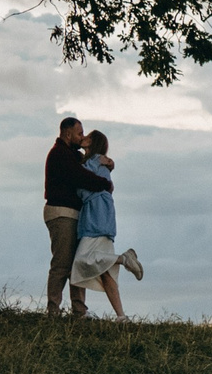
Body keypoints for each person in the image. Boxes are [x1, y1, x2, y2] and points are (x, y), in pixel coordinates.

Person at [64, 129, 143, 318]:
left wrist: (100, 163)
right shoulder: (97, 162)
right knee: (105, 273)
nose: (83, 138)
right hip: (99, 216)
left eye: (88, 137)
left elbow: (89, 180)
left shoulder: (97, 162)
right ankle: (121, 316)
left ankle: (123, 259)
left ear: (95, 143)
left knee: (81, 261)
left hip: (96, 217)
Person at [42, 116, 110, 316]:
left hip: (72, 214)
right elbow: (80, 176)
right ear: (68, 133)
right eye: (79, 133)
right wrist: (104, 183)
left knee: (77, 262)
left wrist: (104, 162)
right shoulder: (60, 154)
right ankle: (54, 310)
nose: (82, 137)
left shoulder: (72, 155)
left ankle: (79, 310)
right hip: (62, 212)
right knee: (63, 263)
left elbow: (86, 168)